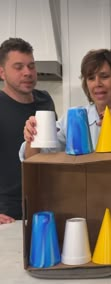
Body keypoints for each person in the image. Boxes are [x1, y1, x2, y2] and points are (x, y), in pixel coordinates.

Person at [20, 48, 111, 160]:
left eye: (104, 76)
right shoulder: (73, 118)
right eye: (91, 78)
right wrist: (32, 137)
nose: (97, 84)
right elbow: (34, 158)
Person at [0, 38, 56, 224]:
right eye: (18, 67)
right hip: (8, 213)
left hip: (46, 204)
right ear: (2, 72)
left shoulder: (45, 100)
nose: (28, 72)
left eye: (31, 66)